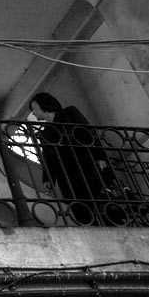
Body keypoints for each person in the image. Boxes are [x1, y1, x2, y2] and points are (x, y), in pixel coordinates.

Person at [28, 92, 123, 226]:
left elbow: (89, 134)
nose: (33, 112)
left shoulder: (70, 113)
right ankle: (94, 229)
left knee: (100, 200)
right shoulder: (45, 133)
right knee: (81, 209)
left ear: (45, 105)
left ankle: (114, 224)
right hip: (67, 176)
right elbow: (48, 158)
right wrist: (48, 178)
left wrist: (100, 157)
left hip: (86, 165)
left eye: (34, 108)